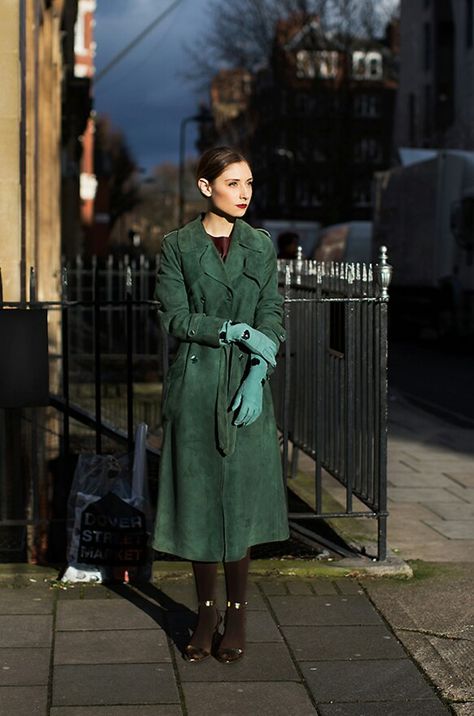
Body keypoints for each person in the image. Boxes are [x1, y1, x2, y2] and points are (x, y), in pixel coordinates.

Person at [152, 146, 289, 664]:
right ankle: (205, 614)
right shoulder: (177, 246)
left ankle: (238, 613)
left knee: (241, 502)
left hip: (247, 387)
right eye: (233, 183)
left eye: (249, 183)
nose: (245, 193)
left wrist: (259, 372)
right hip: (196, 385)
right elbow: (174, 318)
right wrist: (229, 329)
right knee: (202, 498)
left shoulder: (260, 246)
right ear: (206, 187)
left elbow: (273, 312)